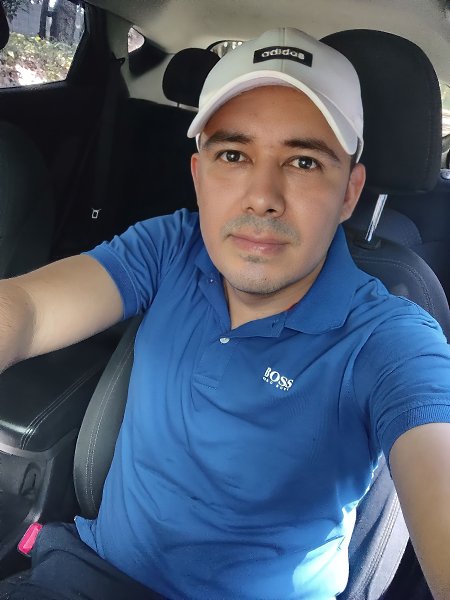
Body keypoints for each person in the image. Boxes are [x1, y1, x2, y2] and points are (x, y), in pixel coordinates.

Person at [0, 26, 449, 600]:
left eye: (304, 161)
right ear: (198, 175)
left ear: (349, 193)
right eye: (233, 155)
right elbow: (28, 309)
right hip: (85, 579)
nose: (262, 196)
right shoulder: (170, 247)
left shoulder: (389, 338)